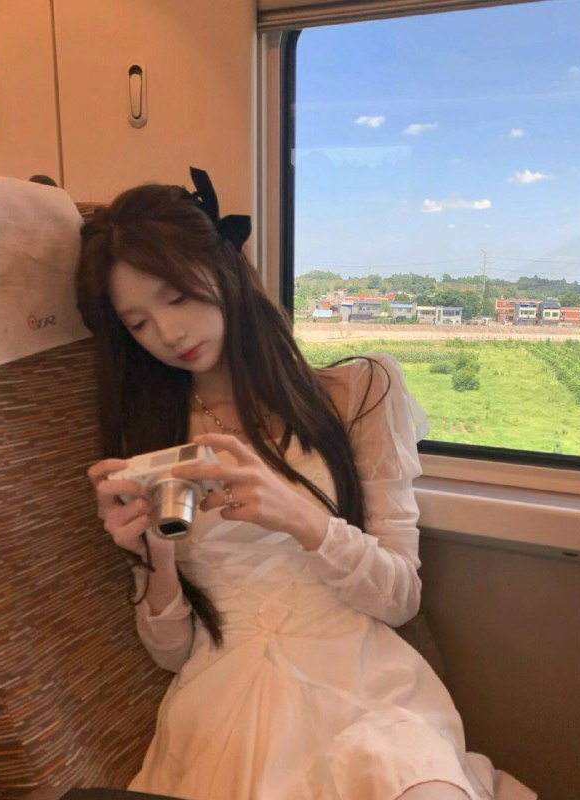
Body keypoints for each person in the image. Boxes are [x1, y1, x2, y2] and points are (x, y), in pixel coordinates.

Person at [75, 169, 535, 800]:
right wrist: (154, 551)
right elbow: (173, 653)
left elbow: (399, 597)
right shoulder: (152, 437)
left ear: (224, 268)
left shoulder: (358, 392)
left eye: (176, 296)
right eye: (138, 323)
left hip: (364, 684)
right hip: (228, 696)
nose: (169, 334)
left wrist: (300, 516)